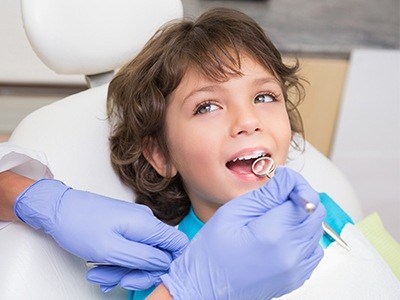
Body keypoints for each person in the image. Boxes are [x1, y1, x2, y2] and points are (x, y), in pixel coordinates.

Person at [88, 7, 399, 299]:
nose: (249, 121)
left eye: (264, 97)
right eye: (207, 106)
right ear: (161, 155)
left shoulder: (323, 210)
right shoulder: (167, 276)